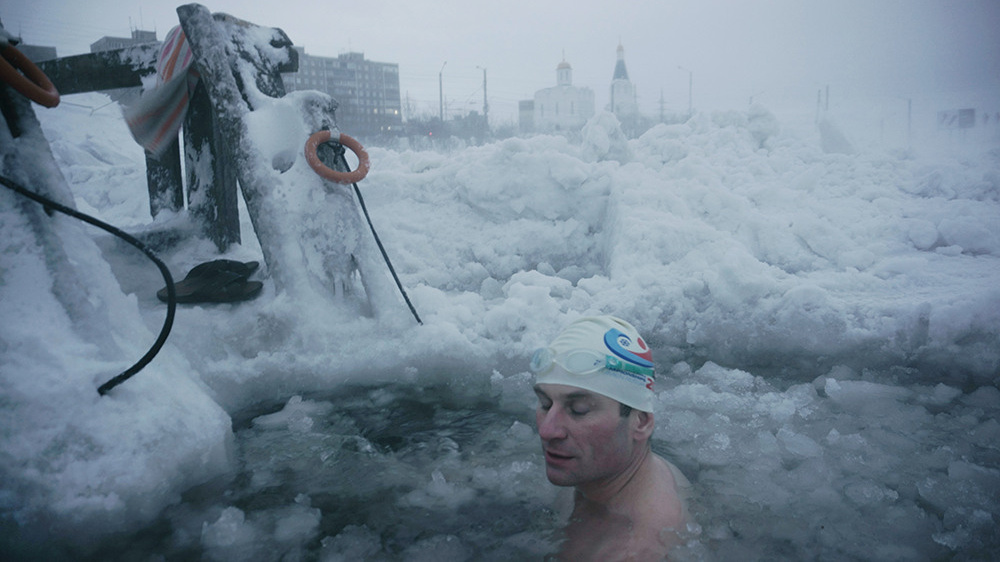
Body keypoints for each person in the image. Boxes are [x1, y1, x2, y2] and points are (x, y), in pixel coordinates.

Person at [530, 315, 691, 561]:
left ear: (641, 422)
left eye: (579, 409)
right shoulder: (620, 474)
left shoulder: (635, 551)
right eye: (545, 403)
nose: (547, 430)